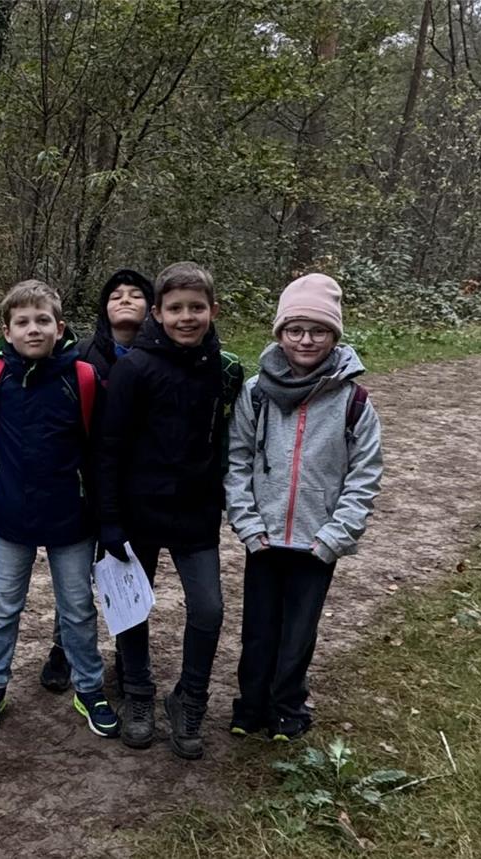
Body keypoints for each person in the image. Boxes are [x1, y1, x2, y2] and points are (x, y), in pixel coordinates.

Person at [225, 273, 382, 741]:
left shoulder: (353, 401)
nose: (306, 340)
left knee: (298, 631)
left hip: (317, 540)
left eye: (318, 331)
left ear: (335, 335)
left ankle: (288, 705)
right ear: (280, 334)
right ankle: (250, 704)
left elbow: (364, 474)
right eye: (295, 330)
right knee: (257, 628)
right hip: (266, 536)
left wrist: (335, 536)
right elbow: (237, 460)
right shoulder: (256, 392)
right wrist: (249, 525)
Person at [97, 262, 242, 758]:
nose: (186, 318)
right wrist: (110, 518)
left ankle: (190, 698)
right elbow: (109, 446)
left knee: (208, 608)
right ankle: (137, 693)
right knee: (133, 606)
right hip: (137, 512)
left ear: (213, 311)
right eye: (175, 309)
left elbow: (224, 439)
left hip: (195, 512)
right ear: (155, 313)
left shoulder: (221, 366)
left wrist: (220, 493)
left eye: (196, 308)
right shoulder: (134, 368)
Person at [0, 280, 120, 739]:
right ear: (7, 331)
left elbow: (106, 449)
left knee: (76, 608)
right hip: (11, 516)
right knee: (1, 608)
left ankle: (88, 686)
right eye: (23, 322)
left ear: (59, 327)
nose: (33, 330)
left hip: (72, 517)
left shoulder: (84, 378)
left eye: (43, 321)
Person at [40, 269, 154, 693]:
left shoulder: (162, 354)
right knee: (75, 574)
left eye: (136, 294)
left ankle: (130, 654)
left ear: (152, 307)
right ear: (104, 307)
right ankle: (63, 647)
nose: (125, 300)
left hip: (139, 483)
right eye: (115, 295)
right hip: (84, 481)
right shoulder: (82, 356)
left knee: (130, 568)